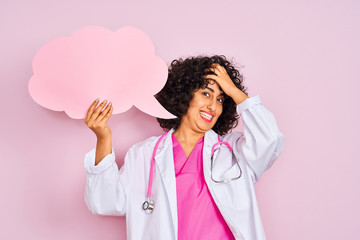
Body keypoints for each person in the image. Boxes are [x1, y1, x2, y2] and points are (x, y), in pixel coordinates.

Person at [84, 55, 285, 240]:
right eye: (206, 94)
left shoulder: (233, 150)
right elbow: (106, 202)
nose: (213, 106)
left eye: (221, 99)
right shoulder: (144, 154)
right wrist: (103, 138)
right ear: (185, 96)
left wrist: (234, 90)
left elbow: (270, 140)